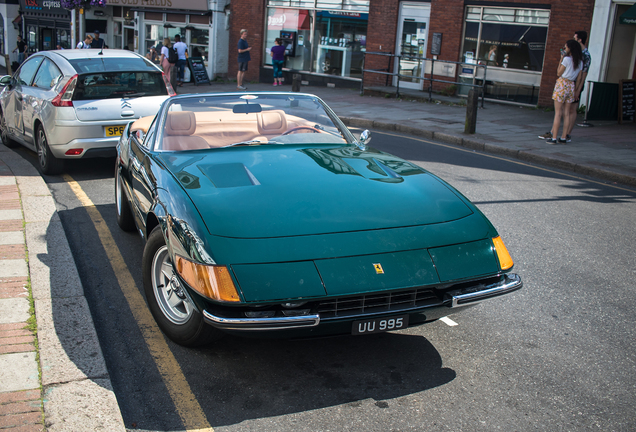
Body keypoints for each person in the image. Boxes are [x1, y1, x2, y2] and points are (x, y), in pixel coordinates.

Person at [546, 40, 583, 145]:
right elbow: (579, 78)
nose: (564, 49)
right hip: (571, 85)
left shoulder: (566, 59)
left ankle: (553, 138)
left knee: (558, 113)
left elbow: (558, 72)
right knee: (566, 113)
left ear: (570, 48)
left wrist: (561, 59)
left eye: (566, 47)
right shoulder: (580, 62)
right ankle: (563, 137)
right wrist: (576, 91)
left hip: (562, 84)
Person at [565, 31, 591, 141]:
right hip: (568, 82)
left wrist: (577, 90)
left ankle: (567, 133)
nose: (573, 39)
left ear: (580, 40)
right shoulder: (576, 52)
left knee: (572, 109)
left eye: (575, 38)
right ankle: (559, 132)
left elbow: (583, 75)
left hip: (576, 84)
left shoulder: (585, 55)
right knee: (565, 108)